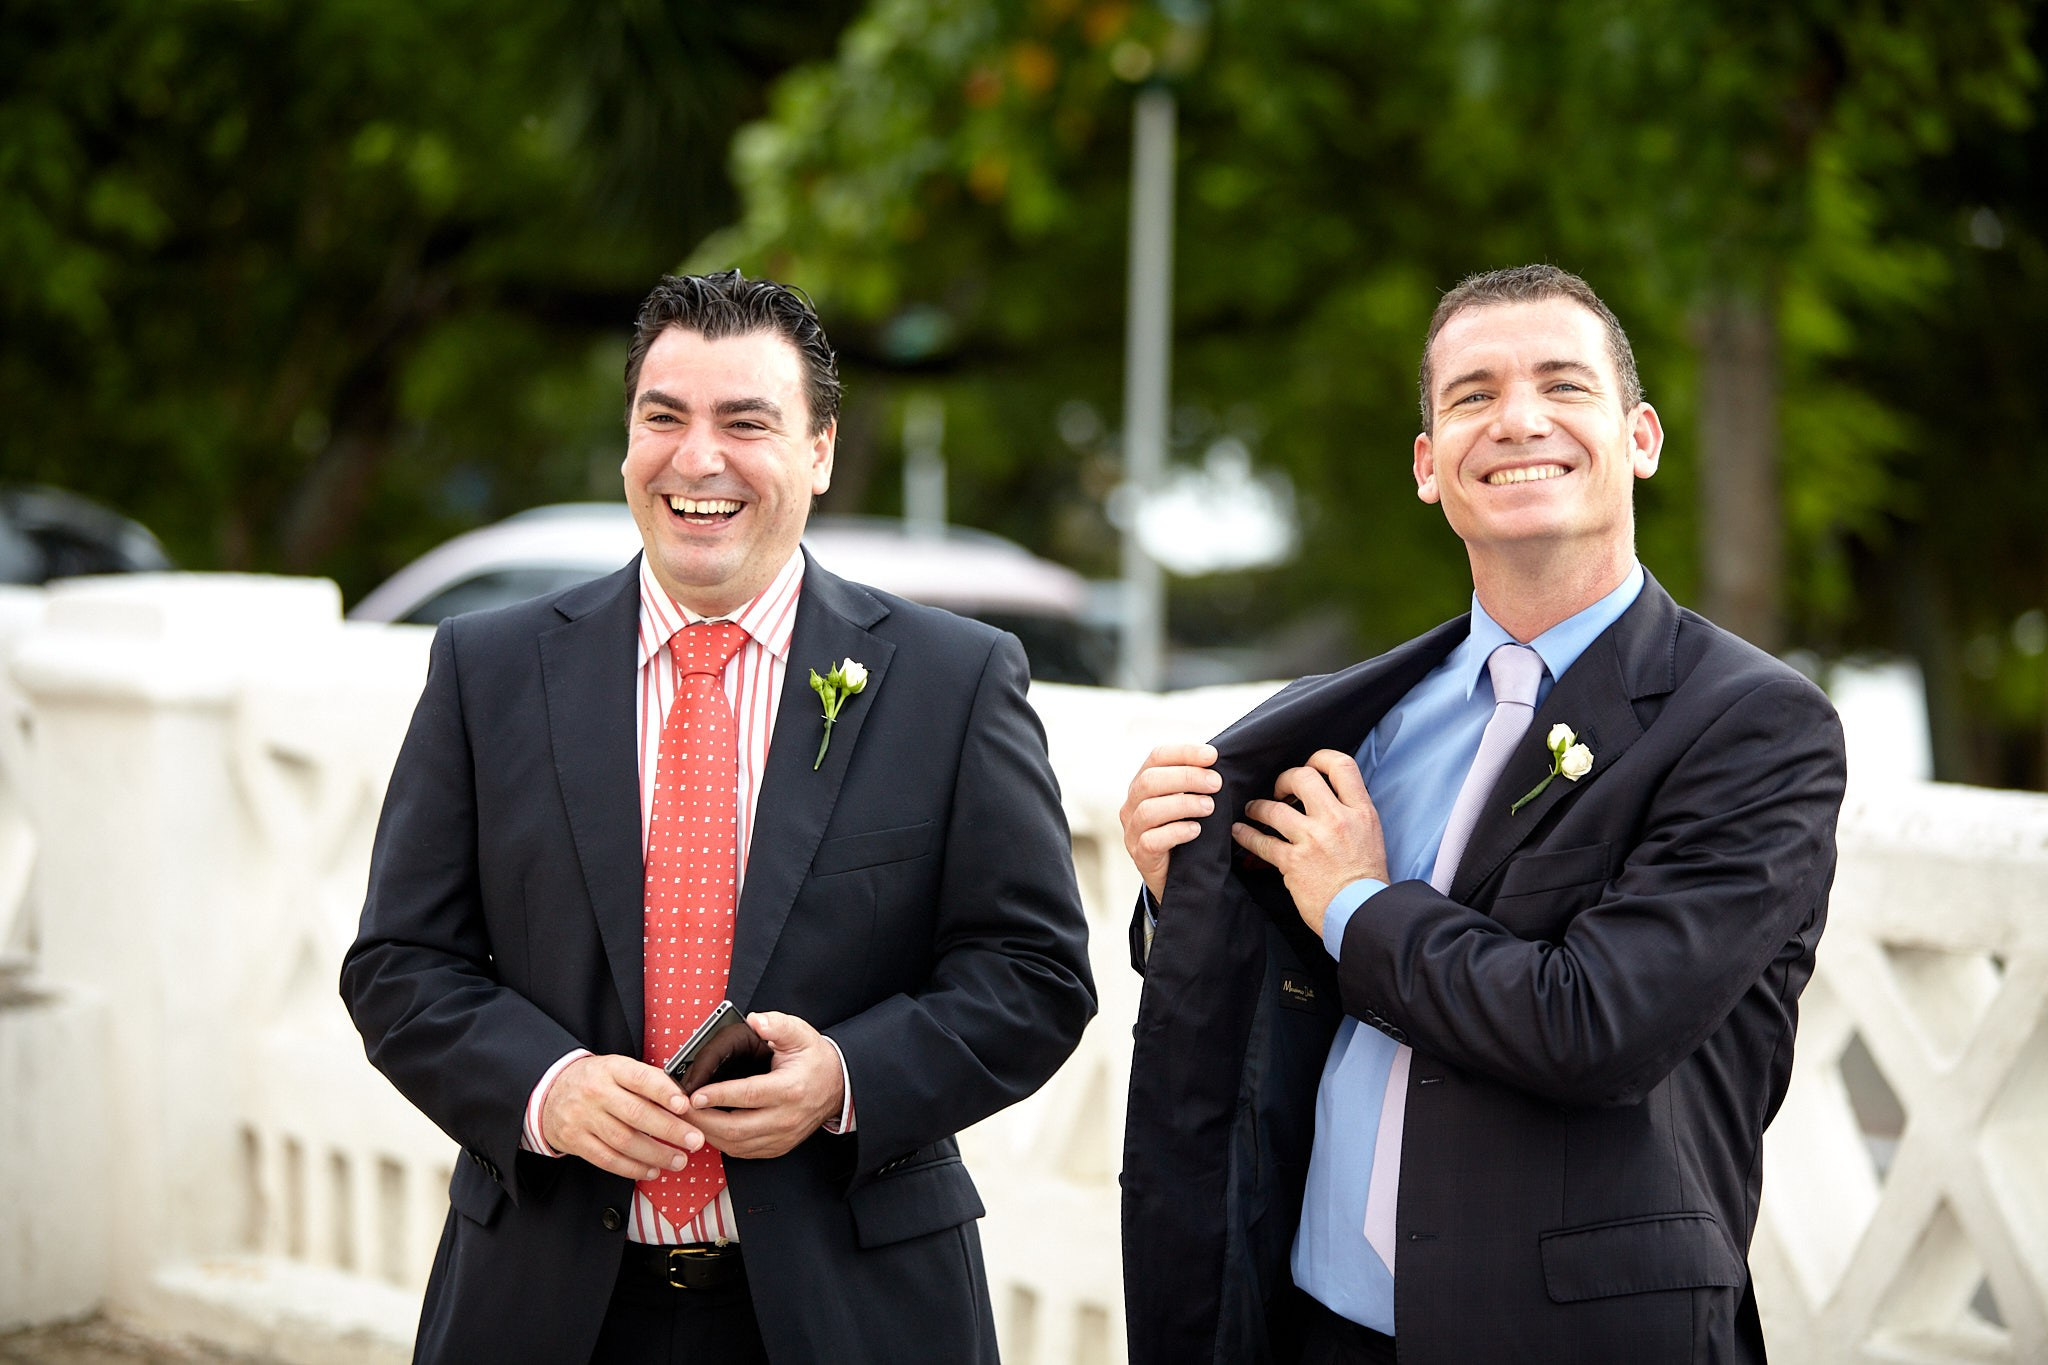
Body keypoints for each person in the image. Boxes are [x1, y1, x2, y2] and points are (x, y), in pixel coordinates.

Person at [341, 270, 1096, 1364]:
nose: (698, 459)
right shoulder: (486, 668)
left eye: (746, 422)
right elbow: (400, 964)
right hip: (546, 1302)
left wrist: (846, 1078)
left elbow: (1033, 974)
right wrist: (544, 1091)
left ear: (820, 452)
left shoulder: (953, 679)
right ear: (627, 443)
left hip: (855, 1306)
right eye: (664, 418)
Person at [1117, 264, 1846, 1364]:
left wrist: (1357, 901)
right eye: (1469, 395)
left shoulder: (1755, 727)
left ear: (1639, 436)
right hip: (1308, 1323)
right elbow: (1286, 984)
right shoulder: (1355, 720)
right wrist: (1185, 893)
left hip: (1563, 1333)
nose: (1515, 420)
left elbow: (1593, 1027)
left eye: (1562, 385)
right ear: (1427, 466)